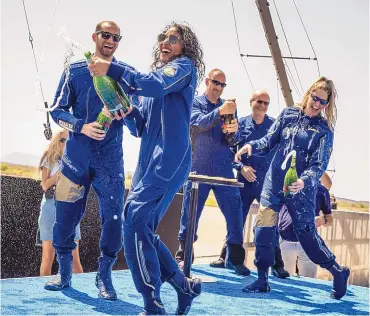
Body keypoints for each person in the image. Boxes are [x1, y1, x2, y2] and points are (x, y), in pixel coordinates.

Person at [89, 21, 206, 315]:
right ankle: (183, 286)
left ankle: (152, 303)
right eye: (163, 38)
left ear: (185, 47)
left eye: (174, 39)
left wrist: (112, 68)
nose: (166, 42)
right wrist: (126, 111)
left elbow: (153, 85)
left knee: (134, 219)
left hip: (169, 161)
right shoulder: (154, 76)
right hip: (147, 163)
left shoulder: (183, 68)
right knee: (142, 227)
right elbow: (140, 127)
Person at [44, 21, 136, 301]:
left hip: (110, 162)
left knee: (114, 221)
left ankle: (104, 276)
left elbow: (135, 123)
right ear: (95, 37)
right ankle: (64, 274)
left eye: (116, 37)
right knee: (65, 220)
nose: (110, 41)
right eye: (105, 35)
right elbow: (56, 110)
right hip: (76, 160)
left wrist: (128, 113)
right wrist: (80, 126)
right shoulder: (75, 70)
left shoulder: (125, 74)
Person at [236, 77, 350, 299]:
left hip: (301, 191)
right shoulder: (288, 115)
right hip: (274, 184)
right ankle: (262, 278)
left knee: (307, 237)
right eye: (315, 98)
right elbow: (269, 140)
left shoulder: (324, 130)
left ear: (327, 105)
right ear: (309, 94)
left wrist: (305, 181)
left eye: (323, 103)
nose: (317, 105)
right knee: (263, 230)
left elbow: (319, 165)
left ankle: (337, 271)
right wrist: (251, 145)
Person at [175, 69, 250, 276]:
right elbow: (197, 123)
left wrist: (234, 131)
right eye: (215, 83)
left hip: (224, 169)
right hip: (198, 167)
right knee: (190, 213)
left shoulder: (229, 108)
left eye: (222, 85)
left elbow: (234, 142)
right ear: (207, 81)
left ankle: (234, 259)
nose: (218, 88)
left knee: (235, 212)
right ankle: (184, 256)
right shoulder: (196, 102)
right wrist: (219, 112)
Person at [210, 90, 290, 279]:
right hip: (244, 182)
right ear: (251, 101)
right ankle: (226, 257)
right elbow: (230, 151)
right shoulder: (241, 123)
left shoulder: (273, 126)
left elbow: (281, 153)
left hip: (266, 183)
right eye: (259, 101)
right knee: (236, 220)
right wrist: (242, 167)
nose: (262, 106)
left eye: (266, 103)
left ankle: (277, 265)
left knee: (270, 223)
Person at [38, 130, 83, 276]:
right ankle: (44, 294)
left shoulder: (77, 162)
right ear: (57, 142)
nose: (65, 143)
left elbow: (80, 188)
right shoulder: (49, 159)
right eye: (62, 140)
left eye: (69, 140)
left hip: (70, 207)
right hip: (51, 206)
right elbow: (45, 185)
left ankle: (81, 296)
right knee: (48, 256)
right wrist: (60, 174)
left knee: (74, 257)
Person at [279, 175, 333, 278]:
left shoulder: (321, 190)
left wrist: (323, 220)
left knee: (309, 281)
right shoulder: (287, 184)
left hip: (308, 243)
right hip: (284, 241)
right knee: (282, 281)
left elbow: (330, 219)